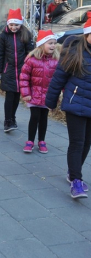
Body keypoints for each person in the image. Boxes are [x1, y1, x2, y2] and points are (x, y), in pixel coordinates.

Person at [46, 12, 91, 199]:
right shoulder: (75, 51)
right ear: (87, 34)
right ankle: (76, 181)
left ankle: (73, 172)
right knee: (77, 143)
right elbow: (58, 78)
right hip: (76, 104)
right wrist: (51, 102)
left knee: (87, 144)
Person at [0, 8, 35, 133]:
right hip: (9, 70)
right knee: (10, 96)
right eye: (11, 24)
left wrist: (30, 68)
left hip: (22, 71)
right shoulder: (3, 36)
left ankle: (13, 118)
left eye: (16, 25)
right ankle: (7, 121)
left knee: (17, 96)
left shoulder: (26, 34)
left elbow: (30, 52)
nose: (14, 27)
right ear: (8, 24)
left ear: (21, 24)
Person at [20, 30, 59, 154]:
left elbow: (59, 78)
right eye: (50, 43)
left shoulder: (56, 60)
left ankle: (42, 141)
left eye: (54, 43)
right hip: (34, 94)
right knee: (35, 116)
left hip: (47, 95)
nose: (53, 46)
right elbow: (24, 76)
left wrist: (58, 94)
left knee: (44, 118)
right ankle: (30, 141)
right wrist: (26, 93)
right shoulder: (32, 60)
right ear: (42, 44)